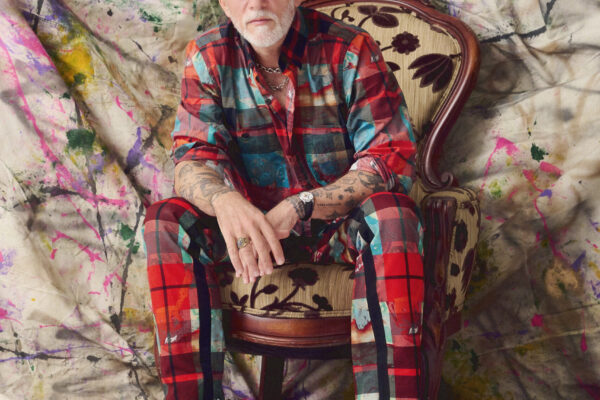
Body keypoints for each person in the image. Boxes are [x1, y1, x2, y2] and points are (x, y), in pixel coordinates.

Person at [143, 0, 424, 398]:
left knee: (392, 214)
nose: (256, 3)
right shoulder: (207, 56)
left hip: (339, 230)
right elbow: (191, 160)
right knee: (165, 220)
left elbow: (390, 158)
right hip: (249, 237)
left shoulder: (351, 49)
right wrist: (226, 201)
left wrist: (301, 205)